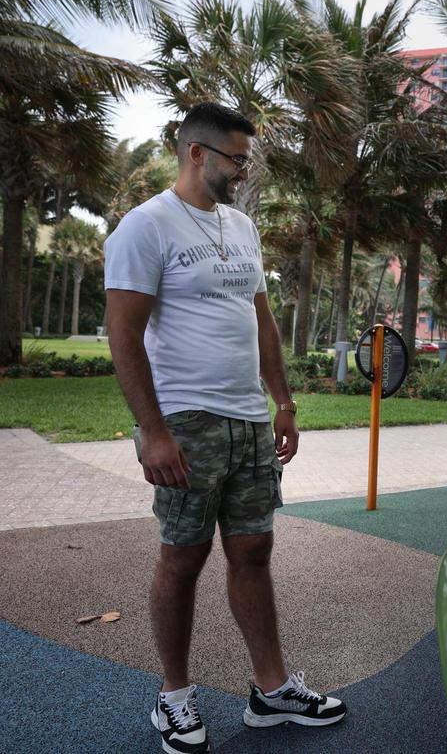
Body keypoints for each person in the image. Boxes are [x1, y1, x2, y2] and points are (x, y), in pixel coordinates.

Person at [105, 102, 346, 754]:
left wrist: (284, 402)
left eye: (247, 160)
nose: (243, 171)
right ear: (196, 153)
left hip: (248, 422)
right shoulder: (146, 227)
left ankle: (271, 690)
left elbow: (261, 320)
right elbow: (122, 332)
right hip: (185, 420)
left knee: (253, 552)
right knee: (182, 558)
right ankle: (175, 697)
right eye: (236, 159)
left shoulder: (240, 228)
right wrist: (150, 430)